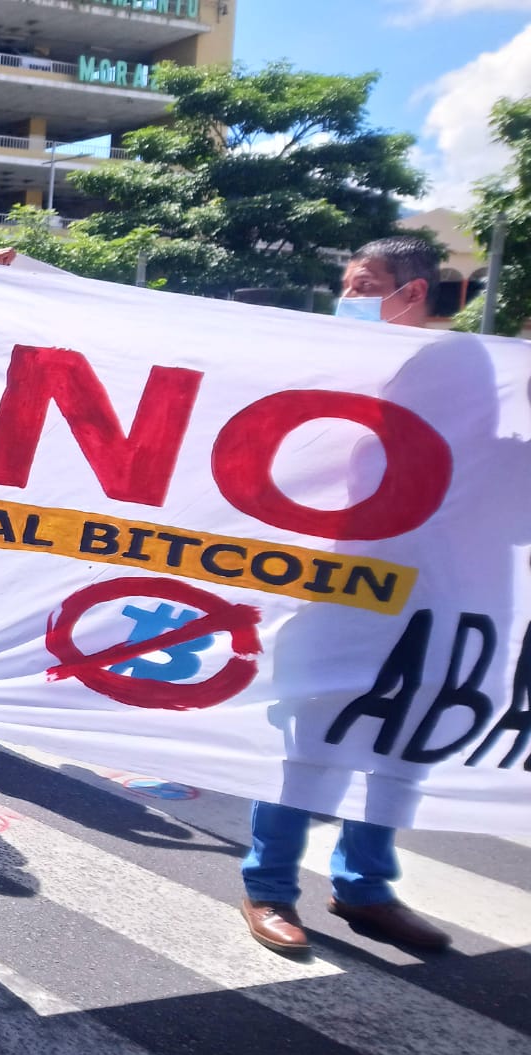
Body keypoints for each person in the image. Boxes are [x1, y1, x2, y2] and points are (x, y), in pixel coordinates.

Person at [240, 235, 453, 955]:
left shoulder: (460, 375)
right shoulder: (320, 359)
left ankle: (364, 886)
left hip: (423, 593)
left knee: (398, 745)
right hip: (327, 589)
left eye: (364, 285)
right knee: (306, 745)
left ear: (412, 293)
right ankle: (268, 886)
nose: (348, 298)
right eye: (348, 284)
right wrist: (38, 282)